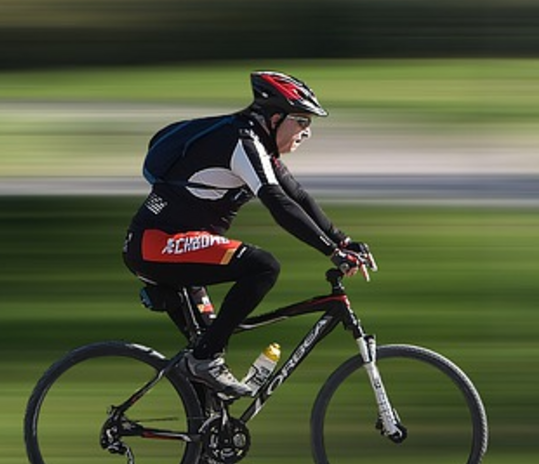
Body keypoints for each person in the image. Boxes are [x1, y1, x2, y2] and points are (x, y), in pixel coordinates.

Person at [122, 70, 372, 398]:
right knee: (263, 266)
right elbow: (279, 204)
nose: (306, 132)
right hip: (157, 245)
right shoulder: (242, 141)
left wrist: (341, 240)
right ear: (275, 117)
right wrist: (331, 252)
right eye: (302, 121)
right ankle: (205, 360)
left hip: (174, 246)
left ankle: (208, 437)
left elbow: (297, 196)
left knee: (208, 374)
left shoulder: (258, 146)